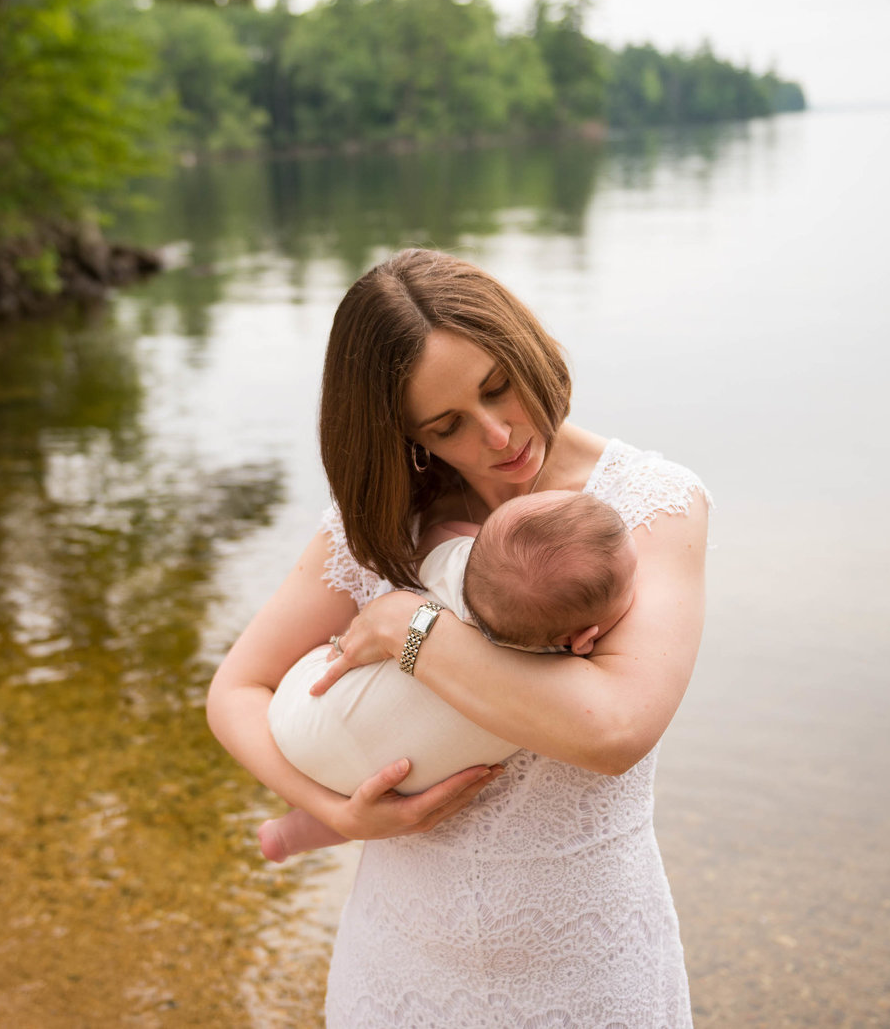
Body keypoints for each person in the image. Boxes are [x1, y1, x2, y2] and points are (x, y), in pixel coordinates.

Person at [205, 248, 710, 1027]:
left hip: (589, 972)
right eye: (448, 426)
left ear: (522, 344)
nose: (500, 433)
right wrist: (335, 814)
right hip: (401, 969)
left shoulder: (647, 508)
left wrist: (415, 632)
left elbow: (615, 729)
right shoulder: (379, 526)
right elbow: (236, 692)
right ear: (407, 436)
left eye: (498, 386)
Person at [260, 489, 637, 864]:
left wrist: (474, 541)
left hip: (300, 716)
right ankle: (291, 834)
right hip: (394, 783)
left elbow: (436, 536)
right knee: (412, 786)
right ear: (586, 637)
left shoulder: (458, 570)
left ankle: (290, 827)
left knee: (340, 660)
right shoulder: (560, 682)